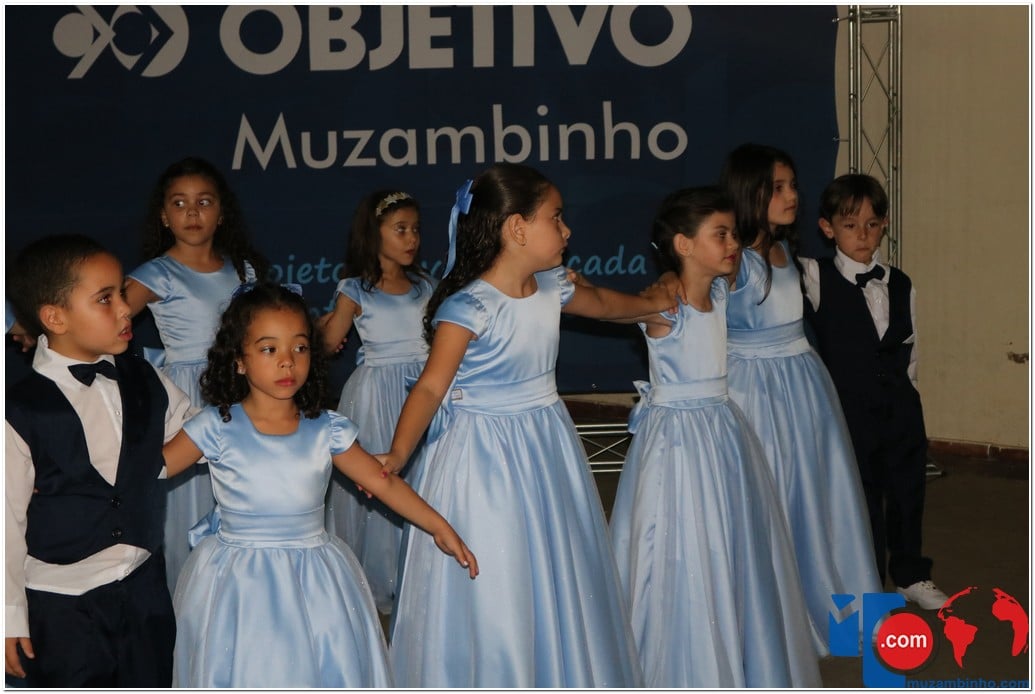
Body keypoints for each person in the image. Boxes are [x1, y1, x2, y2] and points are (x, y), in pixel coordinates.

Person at [379, 163, 680, 688]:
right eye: (555, 218)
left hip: (545, 444)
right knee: (502, 564)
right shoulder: (469, 307)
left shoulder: (551, 288)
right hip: (484, 458)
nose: (567, 230)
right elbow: (430, 388)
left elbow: (603, 305)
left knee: (553, 557)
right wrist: (400, 453)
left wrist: (652, 304)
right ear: (517, 228)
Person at [161, 282, 477, 688]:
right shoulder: (214, 426)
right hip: (237, 580)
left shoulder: (327, 429)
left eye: (300, 347)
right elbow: (153, 469)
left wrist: (438, 525)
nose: (287, 362)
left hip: (314, 577)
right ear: (238, 360)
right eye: (269, 349)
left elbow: (384, 484)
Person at [609, 187, 822, 687]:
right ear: (684, 245)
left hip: (724, 434)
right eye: (721, 235)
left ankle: (736, 640)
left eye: (733, 233)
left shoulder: (722, 291)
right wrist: (562, 289)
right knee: (678, 535)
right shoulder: (663, 305)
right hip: (677, 443)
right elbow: (606, 306)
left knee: (730, 536)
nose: (733, 244)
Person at [5, 234, 193, 687]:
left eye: (122, 294)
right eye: (105, 299)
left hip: (143, 591)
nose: (127, 309)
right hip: (61, 607)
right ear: (55, 317)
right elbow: (5, 520)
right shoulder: (18, 409)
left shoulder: (143, 376)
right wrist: (8, 615)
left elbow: (193, 435)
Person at [719, 143, 882, 649]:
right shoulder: (734, 261)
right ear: (751, 193)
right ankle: (774, 620)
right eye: (779, 187)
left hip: (804, 387)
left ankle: (834, 610)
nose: (792, 195)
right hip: (755, 392)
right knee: (772, 496)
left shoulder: (785, 251)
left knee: (817, 497)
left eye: (792, 185)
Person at [802, 173, 947, 610]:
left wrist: (909, 397)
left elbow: (911, 346)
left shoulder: (901, 282)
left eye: (871, 224)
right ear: (827, 228)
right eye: (850, 225)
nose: (862, 235)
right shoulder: (815, 276)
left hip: (900, 409)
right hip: (850, 412)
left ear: (884, 224)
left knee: (907, 493)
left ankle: (911, 574)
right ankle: (866, 582)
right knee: (859, 500)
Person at [123, 156, 269, 592]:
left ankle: (240, 593)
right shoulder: (156, 273)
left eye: (204, 202)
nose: (192, 212)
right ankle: (191, 600)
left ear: (221, 213)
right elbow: (106, 320)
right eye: (180, 203)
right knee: (191, 498)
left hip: (241, 391)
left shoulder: (244, 271)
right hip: (187, 396)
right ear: (164, 216)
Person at [319, 189, 434, 613]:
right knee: (378, 481)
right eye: (400, 229)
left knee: (423, 479)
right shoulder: (355, 289)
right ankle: (379, 581)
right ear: (374, 233)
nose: (411, 238)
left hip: (422, 391)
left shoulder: (426, 285)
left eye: (415, 229)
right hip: (375, 396)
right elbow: (328, 343)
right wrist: (319, 328)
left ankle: (420, 575)